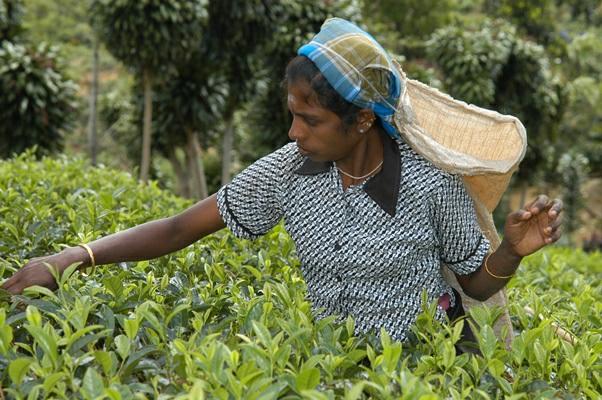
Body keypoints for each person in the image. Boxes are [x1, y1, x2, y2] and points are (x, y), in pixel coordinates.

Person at [2, 18, 562, 345]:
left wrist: (510, 251)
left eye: (310, 119)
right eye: (291, 114)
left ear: (362, 119)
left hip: (423, 366)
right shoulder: (288, 171)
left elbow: (476, 283)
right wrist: (71, 258)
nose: (294, 132)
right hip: (330, 366)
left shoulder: (428, 185)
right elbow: (180, 227)